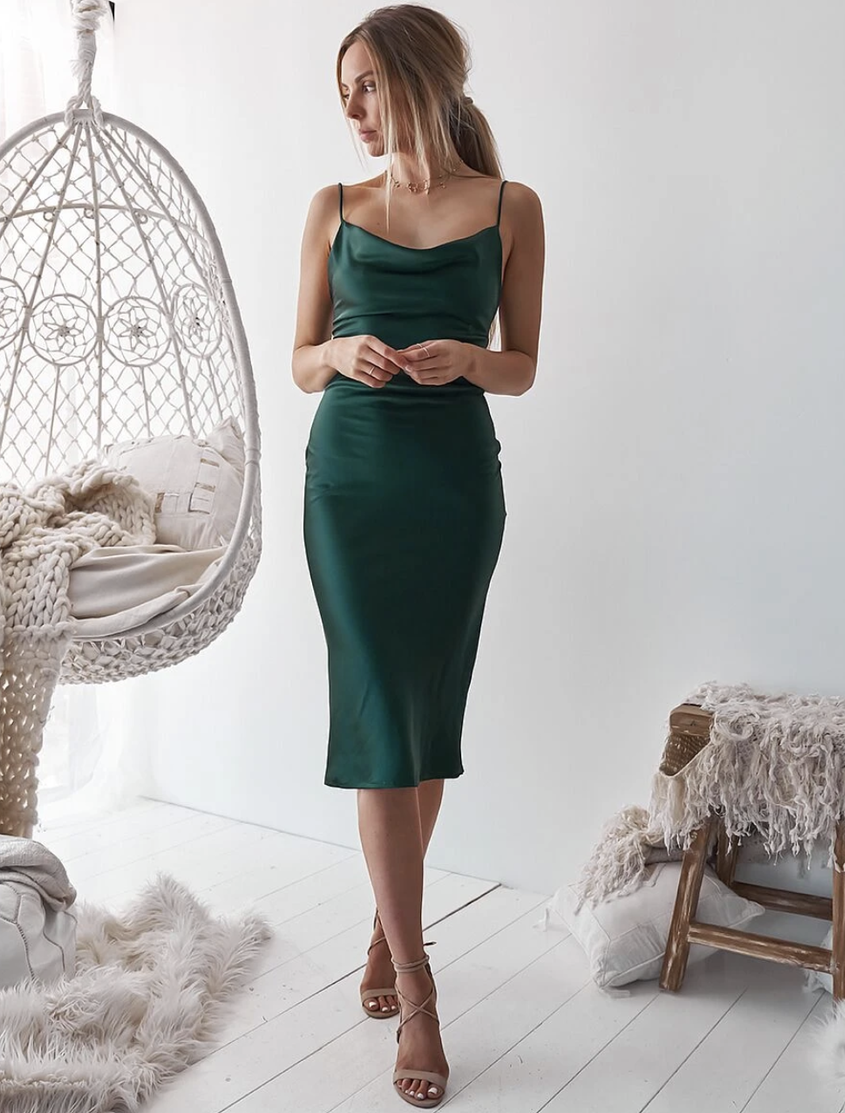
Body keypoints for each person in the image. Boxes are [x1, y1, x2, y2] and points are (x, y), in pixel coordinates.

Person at [291, 4, 544, 1106]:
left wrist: (465, 360)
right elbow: (299, 360)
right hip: (349, 485)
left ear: (422, 81)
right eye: (341, 91)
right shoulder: (334, 208)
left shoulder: (510, 207)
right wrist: (342, 349)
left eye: (366, 87)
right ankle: (421, 988)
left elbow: (524, 365)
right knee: (380, 723)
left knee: (422, 731)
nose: (351, 111)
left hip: (451, 491)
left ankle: (385, 937)